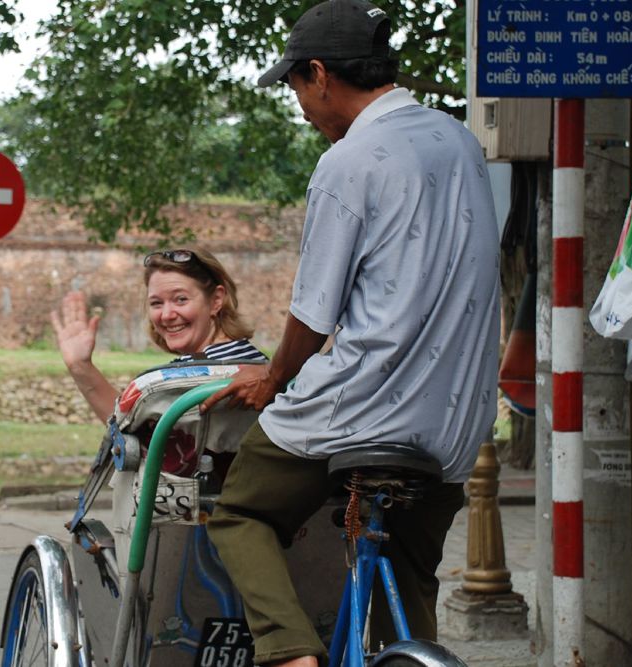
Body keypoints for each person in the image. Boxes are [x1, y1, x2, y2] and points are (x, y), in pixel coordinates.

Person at [201, 2, 500, 665]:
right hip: (455, 423)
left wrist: (273, 378)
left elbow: (314, 310)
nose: (302, 106)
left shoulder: (348, 160)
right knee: (411, 574)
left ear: (319, 74)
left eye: (297, 88)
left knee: (241, 513)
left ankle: (291, 652)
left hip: (361, 405)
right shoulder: (460, 143)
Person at [51, 248, 266, 423]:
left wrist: (81, 368)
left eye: (181, 299)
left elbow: (128, 432)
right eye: (156, 303)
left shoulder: (178, 381)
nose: (166, 315)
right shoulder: (262, 368)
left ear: (216, 300)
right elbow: (127, 426)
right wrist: (80, 365)